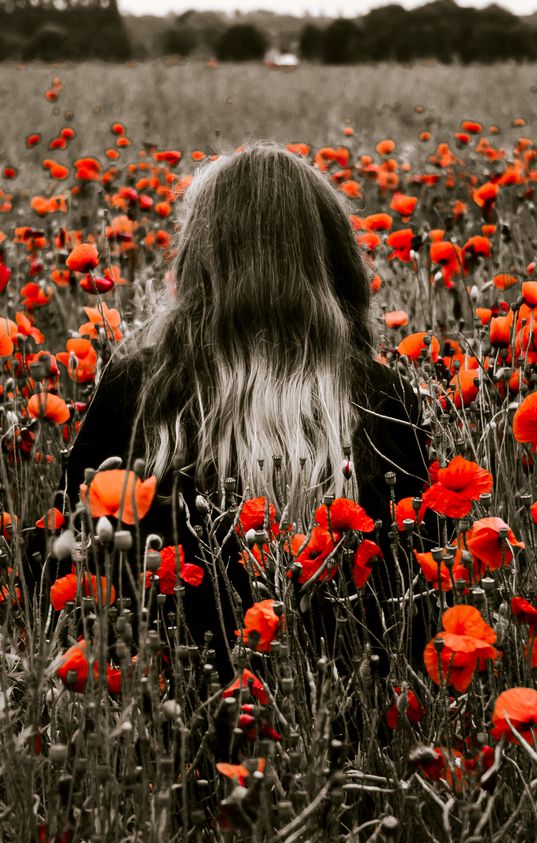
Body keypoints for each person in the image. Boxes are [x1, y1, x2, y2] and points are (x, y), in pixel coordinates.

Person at [45, 142, 431, 689]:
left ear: (199, 257)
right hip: (347, 712)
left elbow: (65, 563)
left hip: (166, 714)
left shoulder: (138, 386)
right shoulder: (380, 395)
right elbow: (415, 595)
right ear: (335, 261)